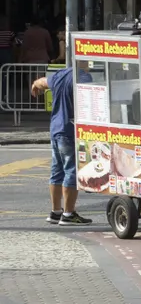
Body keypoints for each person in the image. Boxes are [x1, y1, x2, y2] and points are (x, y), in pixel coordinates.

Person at [30, 67, 93, 225]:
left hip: (56, 128)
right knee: (72, 170)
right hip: (70, 129)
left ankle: (55, 212)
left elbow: (42, 82)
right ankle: (69, 214)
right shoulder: (83, 78)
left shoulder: (60, 75)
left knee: (57, 170)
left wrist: (35, 85)